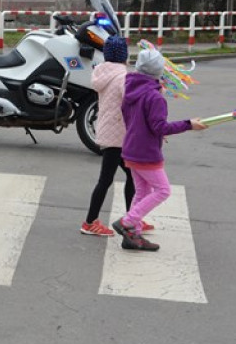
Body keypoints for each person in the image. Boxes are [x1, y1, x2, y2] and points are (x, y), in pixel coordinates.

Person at [111, 48, 207, 251]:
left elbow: (133, 120)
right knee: (163, 190)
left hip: (131, 148)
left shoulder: (130, 89)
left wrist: (152, 133)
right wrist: (189, 124)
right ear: (159, 71)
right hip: (146, 152)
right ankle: (128, 221)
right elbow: (160, 127)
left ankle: (133, 235)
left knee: (142, 191)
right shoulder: (155, 97)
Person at [80, 35, 148, 236]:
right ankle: (90, 222)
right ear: (124, 55)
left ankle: (131, 218)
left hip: (110, 132)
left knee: (129, 176)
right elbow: (133, 103)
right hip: (119, 136)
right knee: (108, 179)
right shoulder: (123, 77)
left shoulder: (102, 73)